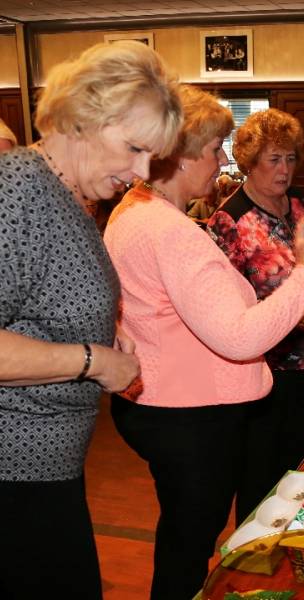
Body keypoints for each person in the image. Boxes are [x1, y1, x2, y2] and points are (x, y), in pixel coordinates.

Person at [104, 87, 304, 600]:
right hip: (189, 416)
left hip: (161, 402)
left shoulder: (133, 211)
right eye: (214, 149)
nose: (222, 160)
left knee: (184, 538)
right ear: (180, 156)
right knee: (189, 544)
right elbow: (239, 338)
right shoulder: (169, 231)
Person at [0, 41, 182, 599]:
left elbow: (40, 300)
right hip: (14, 470)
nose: (143, 171)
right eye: (134, 148)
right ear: (83, 119)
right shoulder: (16, 191)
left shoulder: (64, 191)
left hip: (47, 466)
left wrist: (102, 329)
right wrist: (93, 360)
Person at [207, 108, 304, 521]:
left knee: (295, 466)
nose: (284, 169)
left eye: (290, 158)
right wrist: (295, 317)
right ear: (249, 162)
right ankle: (252, 550)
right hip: (262, 369)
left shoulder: (300, 204)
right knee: (259, 476)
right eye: (273, 159)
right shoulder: (230, 220)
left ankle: (289, 543)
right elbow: (221, 309)